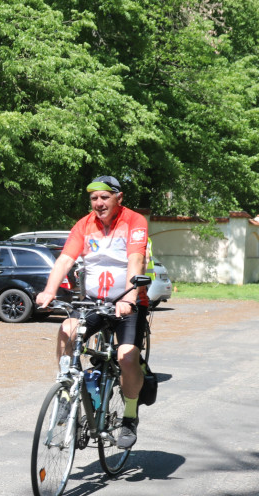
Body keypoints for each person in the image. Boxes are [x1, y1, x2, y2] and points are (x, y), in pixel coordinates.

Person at [35, 175, 149, 449]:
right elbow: (65, 259)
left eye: (104, 197)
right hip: (94, 302)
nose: (98, 203)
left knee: (126, 355)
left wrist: (130, 296)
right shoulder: (84, 225)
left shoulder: (134, 221)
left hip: (127, 302)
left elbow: (136, 258)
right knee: (67, 330)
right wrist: (49, 290)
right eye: (94, 199)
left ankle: (130, 416)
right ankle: (65, 390)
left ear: (118, 198)